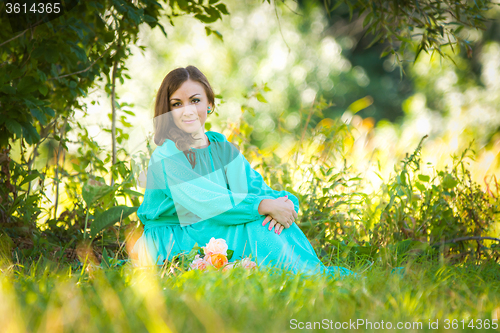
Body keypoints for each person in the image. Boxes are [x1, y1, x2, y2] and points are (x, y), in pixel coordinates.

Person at [131, 65, 357, 278]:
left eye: (195, 100)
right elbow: (207, 202)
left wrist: (284, 204)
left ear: (209, 103)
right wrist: (262, 206)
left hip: (208, 224)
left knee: (268, 218)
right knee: (256, 219)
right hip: (174, 237)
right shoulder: (167, 155)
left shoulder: (219, 145)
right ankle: (304, 276)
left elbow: (256, 187)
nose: (187, 111)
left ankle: (313, 273)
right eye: (177, 104)